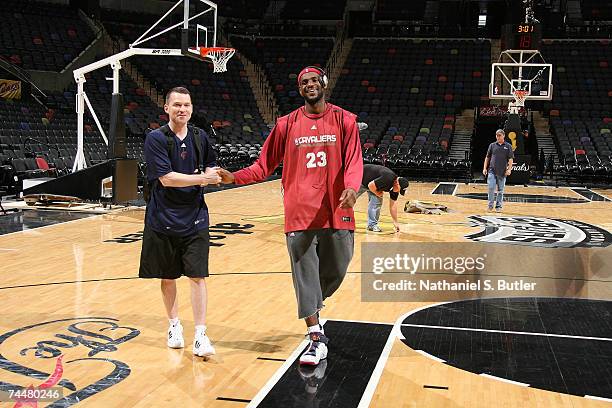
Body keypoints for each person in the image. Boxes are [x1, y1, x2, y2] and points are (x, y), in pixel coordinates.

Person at [218, 66, 363, 366]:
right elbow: (263, 165)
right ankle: (315, 334)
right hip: (299, 212)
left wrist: (351, 187)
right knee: (304, 274)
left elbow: (354, 161)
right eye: (304, 83)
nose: (310, 85)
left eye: (314, 81)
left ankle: (313, 304)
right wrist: (235, 178)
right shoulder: (286, 124)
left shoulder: (345, 120)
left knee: (338, 268)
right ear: (300, 90)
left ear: (323, 84)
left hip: (337, 210)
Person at [139, 86, 220, 357]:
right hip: (162, 218)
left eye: (186, 105)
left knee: (198, 276)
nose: (182, 109)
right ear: (166, 108)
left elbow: (211, 164)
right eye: (176, 105)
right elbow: (167, 179)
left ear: (191, 108)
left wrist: (209, 173)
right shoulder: (155, 138)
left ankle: (200, 334)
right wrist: (204, 179)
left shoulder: (200, 137)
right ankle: (174, 325)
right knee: (168, 276)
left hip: (195, 217)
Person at [358, 164, 409, 232]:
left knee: (377, 203)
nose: (398, 192)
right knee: (349, 199)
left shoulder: (395, 188)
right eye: (400, 190)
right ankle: (341, 218)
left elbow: (393, 205)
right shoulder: (388, 178)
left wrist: (395, 222)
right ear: (397, 183)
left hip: (373, 185)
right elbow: (370, 186)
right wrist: (378, 193)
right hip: (361, 178)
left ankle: (372, 225)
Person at [483, 129, 514, 212]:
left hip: (502, 172)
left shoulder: (508, 146)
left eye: (499, 135)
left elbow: (510, 159)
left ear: (503, 136)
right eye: (497, 135)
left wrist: (509, 169)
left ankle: (498, 206)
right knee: (491, 187)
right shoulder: (492, 145)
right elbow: (487, 157)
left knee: (500, 190)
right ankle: (490, 206)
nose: (498, 137)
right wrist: (484, 168)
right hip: (492, 170)